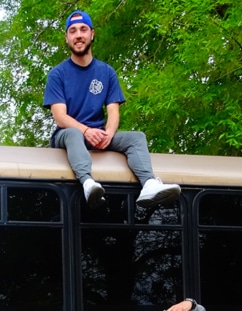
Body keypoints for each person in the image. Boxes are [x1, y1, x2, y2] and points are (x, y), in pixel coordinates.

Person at [43, 10, 181, 210]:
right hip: (68, 136)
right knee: (73, 133)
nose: (78, 35)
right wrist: (86, 131)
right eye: (72, 31)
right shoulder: (57, 74)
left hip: (98, 134)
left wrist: (108, 134)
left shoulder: (106, 72)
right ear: (67, 38)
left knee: (136, 138)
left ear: (92, 34)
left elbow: (113, 111)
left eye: (83, 29)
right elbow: (60, 117)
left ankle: (149, 184)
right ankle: (88, 183)